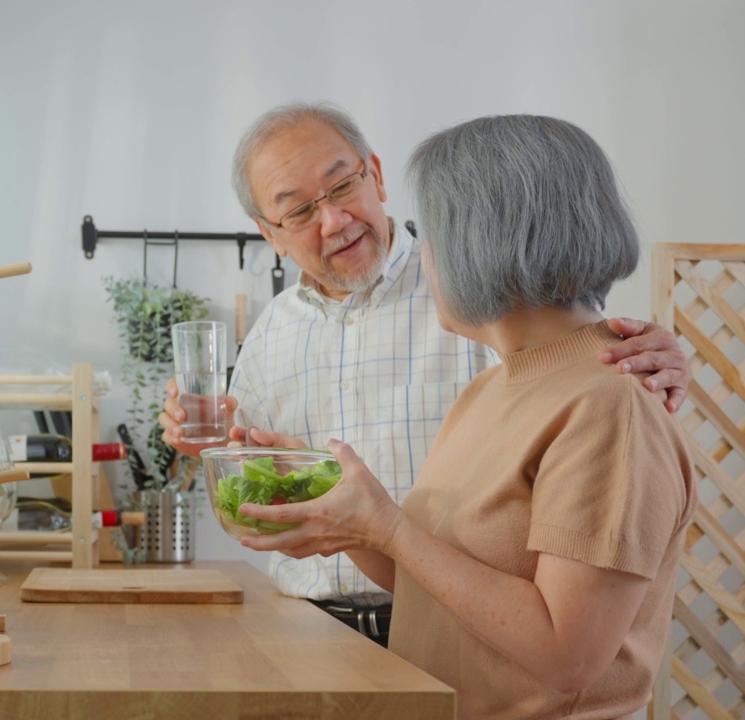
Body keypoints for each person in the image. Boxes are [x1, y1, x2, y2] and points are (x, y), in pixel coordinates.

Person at [158, 102, 691, 644]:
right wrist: (220, 446)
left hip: (468, 631)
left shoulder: (488, 300)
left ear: (377, 175)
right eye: (298, 212)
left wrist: (647, 358)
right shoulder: (271, 331)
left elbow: (579, 356)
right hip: (312, 629)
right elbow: (264, 477)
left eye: (342, 187)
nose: (334, 221)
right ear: (269, 233)